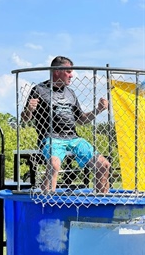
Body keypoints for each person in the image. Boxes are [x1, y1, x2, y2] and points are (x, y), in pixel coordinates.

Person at [21, 56, 110, 194]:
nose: (72, 75)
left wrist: (98, 110)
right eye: (68, 71)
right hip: (51, 138)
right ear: (57, 71)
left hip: (73, 138)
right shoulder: (39, 89)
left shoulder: (71, 93)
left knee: (103, 165)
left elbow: (81, 119)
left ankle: (101, 205)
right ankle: (47, 204)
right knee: (54, 165)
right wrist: (29, 110)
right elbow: (25, 119)